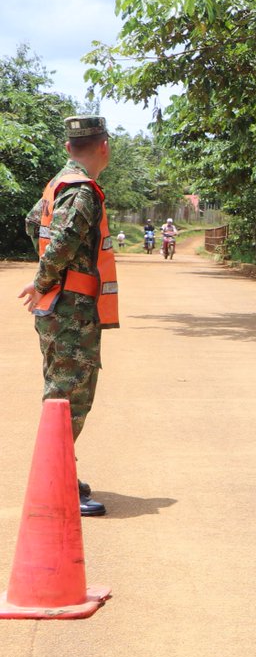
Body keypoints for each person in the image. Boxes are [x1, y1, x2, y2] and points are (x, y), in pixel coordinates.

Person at [18, 115, 120, 517]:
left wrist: (48, 278)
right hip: (71, 309)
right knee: (69, 397)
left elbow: (32, 223)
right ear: (104, 147)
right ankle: (56, 484)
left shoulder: (58, 184)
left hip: (60, 308)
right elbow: (63, 242)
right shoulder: (82, 191)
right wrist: (45, 278)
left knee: (60, 392)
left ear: (67, 148)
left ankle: (59, 472)